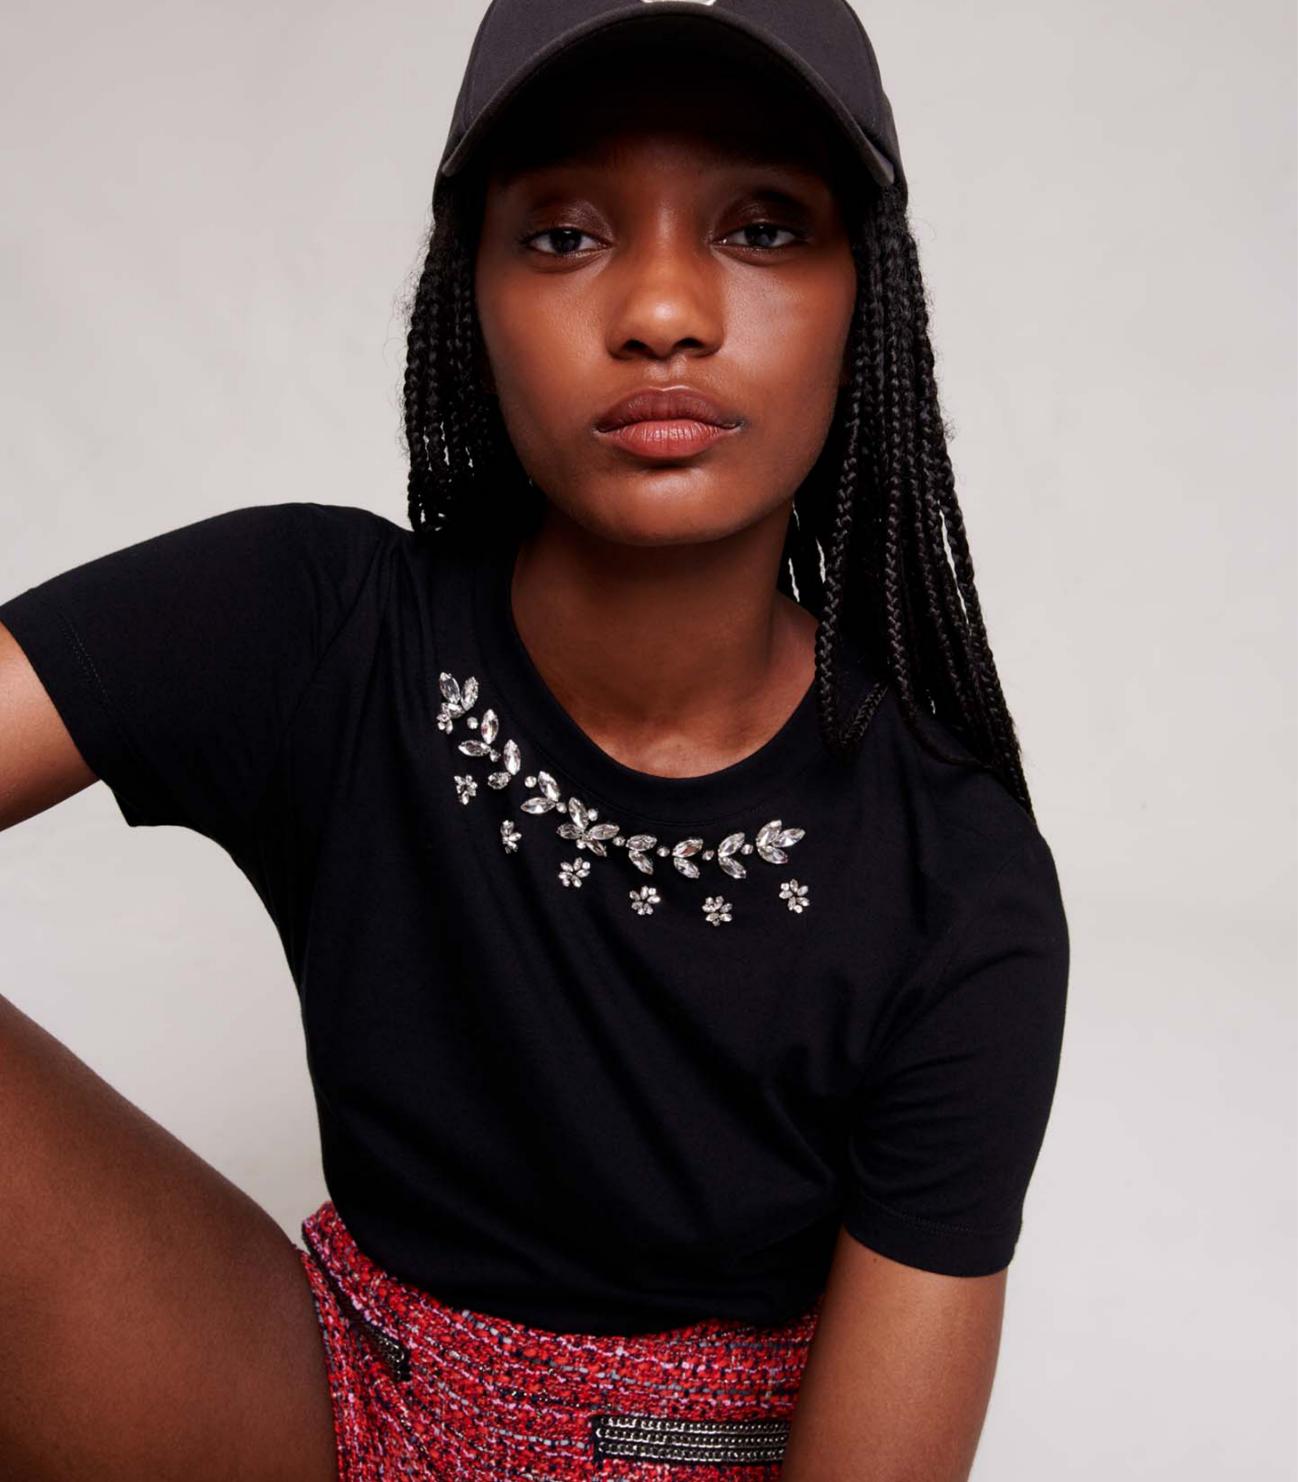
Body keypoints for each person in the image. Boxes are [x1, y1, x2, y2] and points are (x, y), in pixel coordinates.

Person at [0, 2, 1070, 1478]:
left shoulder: (958, 878)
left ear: (862, 300)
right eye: (565, 235)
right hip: (328, 1404)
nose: (662, 310)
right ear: (473, 296)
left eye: (762, 229)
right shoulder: (317, 625)